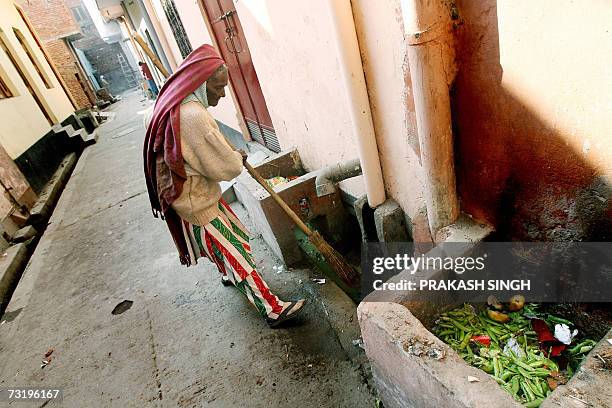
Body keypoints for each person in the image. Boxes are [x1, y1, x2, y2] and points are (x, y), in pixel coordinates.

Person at [143, 45, 305, 327]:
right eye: (219, 88)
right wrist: (236, 157)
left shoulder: (171, 102)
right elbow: (225, 167)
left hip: (190, 195)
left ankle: (227, 272)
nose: (223, 94)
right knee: (237, 254)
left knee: (232, 239)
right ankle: (272, 310)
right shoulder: (193, 116)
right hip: (196, 203)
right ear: (201, 84)